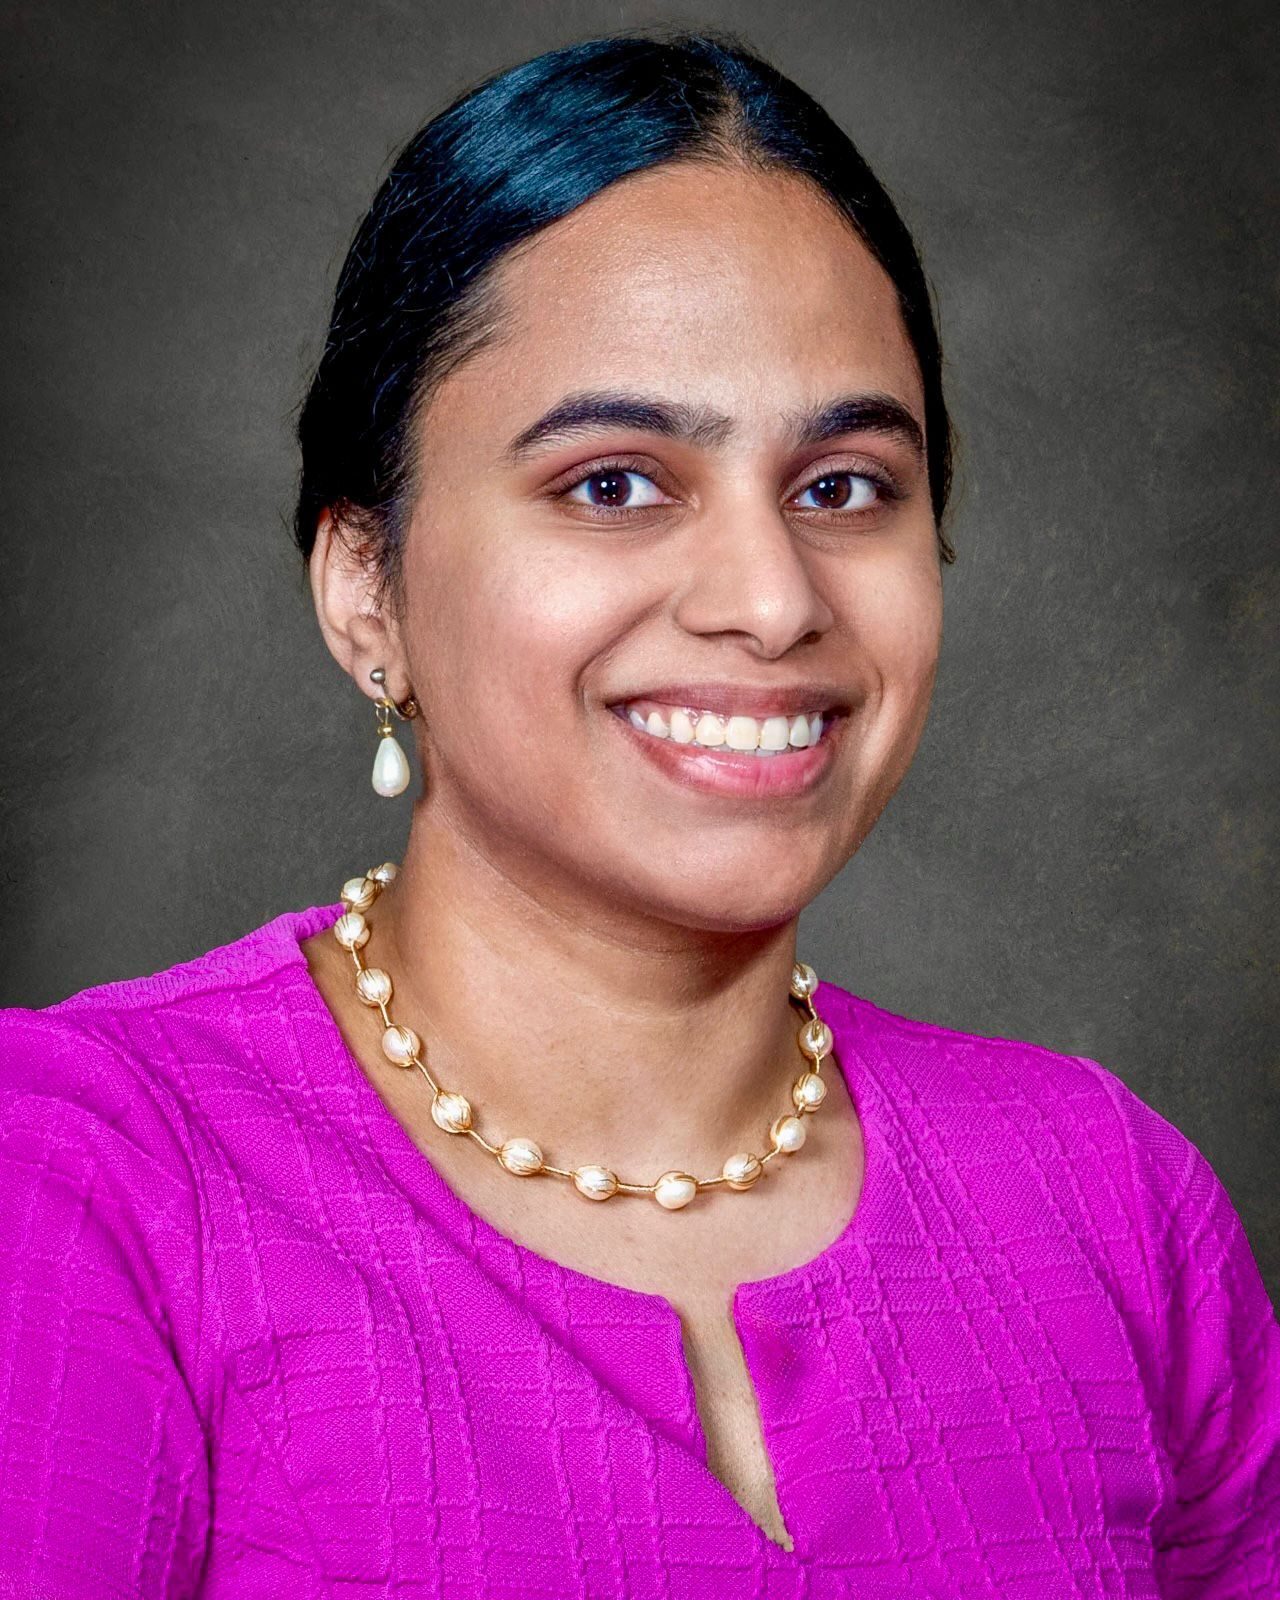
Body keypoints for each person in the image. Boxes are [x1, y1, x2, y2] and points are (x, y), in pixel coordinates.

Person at [0, 30, 1275, 1600]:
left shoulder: (1111, 1204)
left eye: (845, 487)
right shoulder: (86, 1180)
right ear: (364, 588)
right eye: (615, 481)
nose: (769, 600)